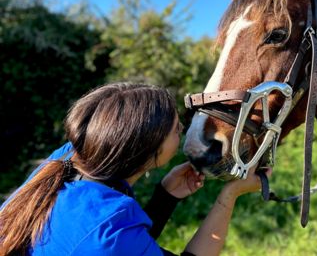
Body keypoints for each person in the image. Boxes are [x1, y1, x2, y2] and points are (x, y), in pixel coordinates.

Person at [0, 82, 271, 255]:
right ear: (148, 153)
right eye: (176, 129)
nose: (183, 131)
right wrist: (230, 195)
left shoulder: (64, 160)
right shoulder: (107, 233)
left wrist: (165, 196)